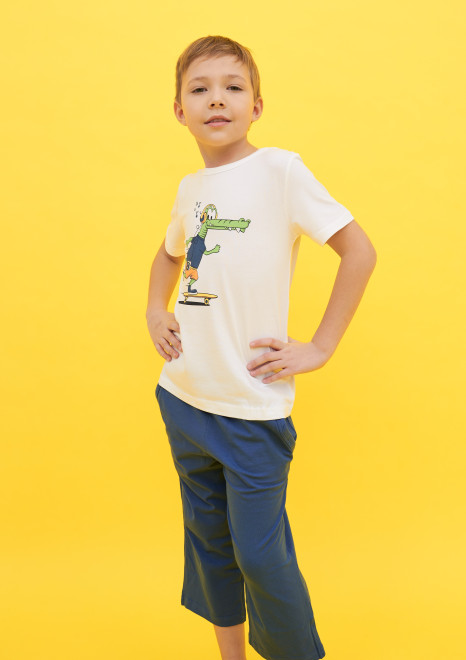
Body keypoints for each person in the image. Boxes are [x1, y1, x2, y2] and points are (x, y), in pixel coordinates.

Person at [146, 34, 377, 660]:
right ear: (179, 110)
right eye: (200, 89)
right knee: (211, 545)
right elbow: (168, 254)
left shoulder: (280, 171)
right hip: (184, 398)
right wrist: (154, 310)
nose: (217, 99)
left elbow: (359, 251)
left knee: (259, 553)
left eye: (233, 87)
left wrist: (320, 347)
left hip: (251, 409)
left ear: (257, 105)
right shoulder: (191, 188)